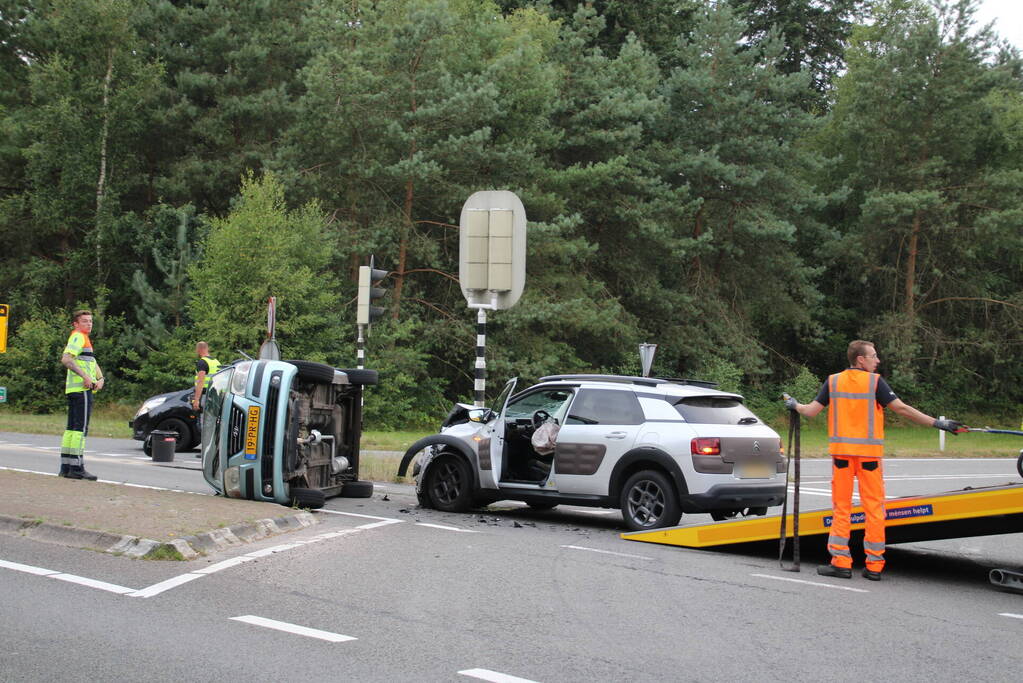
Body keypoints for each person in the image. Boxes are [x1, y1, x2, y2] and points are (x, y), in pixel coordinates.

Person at [783, 340, 963, 581]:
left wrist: (795, 405)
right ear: (861, 359)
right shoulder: (875, 382)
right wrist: (937, 423)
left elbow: (812, 411)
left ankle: (841, 562)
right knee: (874, 510)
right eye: (873, 356)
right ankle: (874, 566)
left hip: (842, 458)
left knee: (842, 510)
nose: (877, 360)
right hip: (869, 458)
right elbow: (902, 409)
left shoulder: (833, 381)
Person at [59, 309, 105, 480]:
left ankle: (66, 467)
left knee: (71, 429)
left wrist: (101, 378)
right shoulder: (78, 336)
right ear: (76, 324)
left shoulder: (84, 339)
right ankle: (77, 468)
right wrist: (86, 377)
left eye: (91, 321)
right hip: (82, 390)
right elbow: (66, 359)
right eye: (85, 321)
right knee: (80, 429)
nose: (89, 324)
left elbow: (91, 361)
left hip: (75, 390)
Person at [192, 341, 221, 412]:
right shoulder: (216, 361)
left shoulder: (202, 362)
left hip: (205, 396)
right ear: (207, 349)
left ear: (198, 350)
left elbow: (200, 382)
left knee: (202, 420)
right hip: (216, 397)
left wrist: (196, 400)